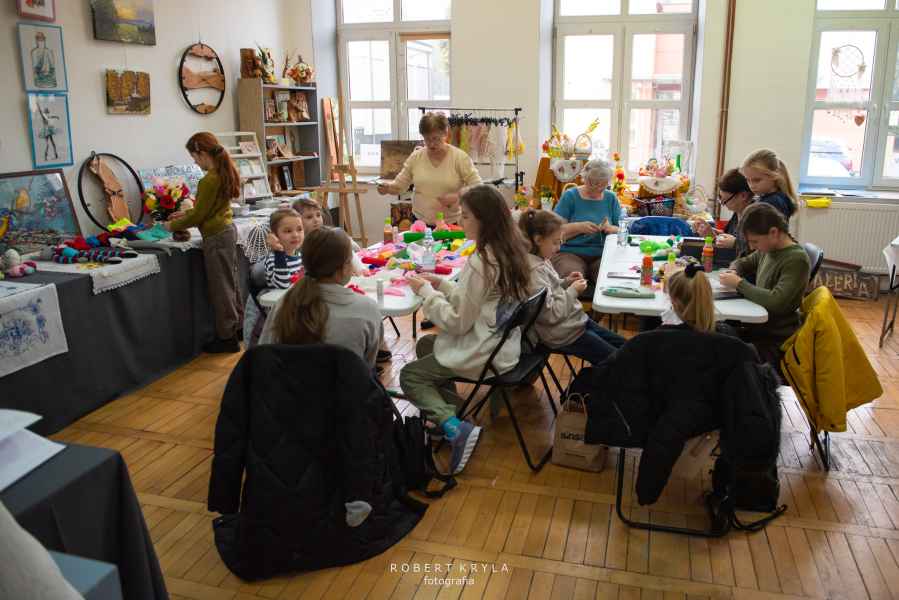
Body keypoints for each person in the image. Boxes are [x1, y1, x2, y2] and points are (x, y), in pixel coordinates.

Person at [400, 185, 531, 474]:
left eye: (467, 216)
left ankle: (454, 427)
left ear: (485, 220)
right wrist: (443, 284)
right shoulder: (508, 251)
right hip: (501, 344)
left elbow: (458, 322)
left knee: (410, 375)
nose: (460, 220)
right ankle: (456, 414)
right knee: (425, 346)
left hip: (485, 350)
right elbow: (478, 300)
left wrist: (427, 293)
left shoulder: (482, 262)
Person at [259, 227, 383, 368]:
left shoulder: (283, 304)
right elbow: (367, 365)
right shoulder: (368, 309)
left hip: (289, 381)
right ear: (344, 267)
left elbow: (265, 354)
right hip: (347, 381)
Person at [167, 132, 243, 353]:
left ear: (201, 153)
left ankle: (226, 337)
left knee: (221, 289)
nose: (195, 162)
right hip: (226, 231)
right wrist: (185, 215)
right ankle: (237, 327)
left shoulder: (208, 180)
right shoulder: (222, 173)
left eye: (194, 157)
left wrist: (172, 225)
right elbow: (207, 209)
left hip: (216, 237)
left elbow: (199, 215)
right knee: (231, 284)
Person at [518, 208, 626, 364]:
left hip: (575, 322)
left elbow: (551, 289)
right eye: (555, 242)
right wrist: (573, 291)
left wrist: (566, 281)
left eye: (560, 241)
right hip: (564, 333)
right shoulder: (533, 272)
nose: (559, 247)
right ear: (538, 240)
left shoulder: (542, 259)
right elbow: (551, 315)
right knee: (620, 361)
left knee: (628, 348)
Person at [719, 202, 810, 367]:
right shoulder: (768, 249)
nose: (752, 247)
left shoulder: (796, 259)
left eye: (755, 241)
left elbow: (777, 302)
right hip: (758, 328)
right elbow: (743, 262)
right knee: (714, 334)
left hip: (775, 339)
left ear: (774, 232)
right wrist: (733, 271)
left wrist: (739, 284)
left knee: (719, 351)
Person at [376, 112, 482, 226]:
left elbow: (479, 188)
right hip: (420, 223)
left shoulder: (459, 158)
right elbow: (399, 186)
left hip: (451, 224)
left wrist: (457, 196)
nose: (431, 144)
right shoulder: (416, 157)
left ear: (445, 133)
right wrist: (387, 188)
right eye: (427, 139)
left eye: (436, 139)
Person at [552, 159, 621, 285]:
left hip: (603, 254)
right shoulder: (570, 196)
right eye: (593, 183)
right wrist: (579, 227)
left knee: (610, 279)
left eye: (602, 184)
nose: (598, 188)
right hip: (570, 253)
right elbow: (554, 231)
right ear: (584, 178)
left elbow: (623, 230)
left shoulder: (611, 198)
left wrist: (611, 229)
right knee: (572, 278)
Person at [694, 168, 755, 257]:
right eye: (720, 198)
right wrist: (711, 231)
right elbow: (728, 235)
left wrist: (734, 243)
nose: (722, 204)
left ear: (743, 195)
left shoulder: (755, 216)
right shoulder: (738, 211)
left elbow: (754, 252)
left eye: (725, 201)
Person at [740, 149, 798, 220]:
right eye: (748, 180)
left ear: (774, 176)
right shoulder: (767, 199)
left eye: (757, 180)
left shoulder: (772, 203)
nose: (751, 186)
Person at [263, 208, 304, 289]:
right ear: (275, 235)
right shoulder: (273, 260)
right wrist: (279, 251)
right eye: (288, 231)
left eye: (299, 229)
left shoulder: (300, 256)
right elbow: (283, 284)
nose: (295, 235)